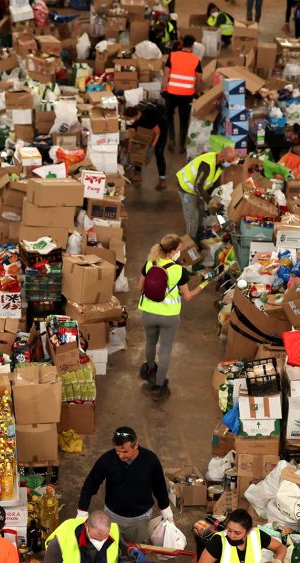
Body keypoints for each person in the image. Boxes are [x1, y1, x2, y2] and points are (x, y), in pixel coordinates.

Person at [78, 426, 172, 542]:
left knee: (136, 552)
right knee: (111, 550)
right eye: (118, 451)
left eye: (125, 451)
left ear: (136, 445)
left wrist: (165, 507)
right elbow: (91, 483)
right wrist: (82, 509)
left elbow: (159, 486)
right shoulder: (107, 460)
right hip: (113, 517)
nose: (121, 455)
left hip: (140, 519)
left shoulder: (150, 460)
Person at [138, 235, 204, 398]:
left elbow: (140, 288)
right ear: (173, 251)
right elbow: (187, 296)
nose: (180, 253)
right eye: (179, 251)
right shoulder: (178, 270)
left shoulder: (149, 264)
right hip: (169, 316)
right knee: (165, 350)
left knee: (150, 343)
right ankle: (159, 386)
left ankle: (150, 369)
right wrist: (202, 285)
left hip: (148, 312)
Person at [176, 146, 241, 241]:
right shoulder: (207, 164)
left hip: (198, 188)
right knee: (192, 216)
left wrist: (217, 196)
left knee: (201, 211)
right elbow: (197, 186)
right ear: (222, 156)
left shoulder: (220, 164)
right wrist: (209, 200)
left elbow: (214, 181)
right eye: (229, 161)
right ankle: (191, 242)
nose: (229, 164)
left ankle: (199, 235)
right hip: (186, 188)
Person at [163, 36, 202, 149]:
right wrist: (198, 92)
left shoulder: (173, 56)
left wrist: (164, 89)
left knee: (169, 116)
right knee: (184, 120)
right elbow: (199, 79)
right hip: (187, 95)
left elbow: (166, 75)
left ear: (182, 44)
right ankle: (181, 145)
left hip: (171, 93)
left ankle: (171, 140)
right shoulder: (196, 59)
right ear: (192, 46)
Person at [125, 100, 169, 189]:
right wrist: (129, 152)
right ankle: (138, 175)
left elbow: (157, 133)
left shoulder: (147, 118)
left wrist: (151, 147)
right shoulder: (133, 122)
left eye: (128, 119)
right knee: (138, 147)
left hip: (160, 129)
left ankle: (162, 180)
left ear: (135, 116)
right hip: (144, 129)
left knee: (159, 153)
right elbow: (132, 137)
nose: (127, 121)